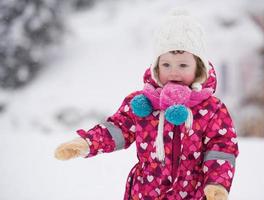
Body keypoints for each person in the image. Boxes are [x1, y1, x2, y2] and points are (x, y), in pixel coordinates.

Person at [54, 9, 239, 200]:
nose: (174, 72)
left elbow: (221, 149)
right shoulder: (142, 103)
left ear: (199, 67)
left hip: (192, 194)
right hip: (146, 192)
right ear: (156, 66)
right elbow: (117, 129)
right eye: (166, 65)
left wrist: (217, 184)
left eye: (183, 65)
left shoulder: (211, 109)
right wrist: (87, 142)